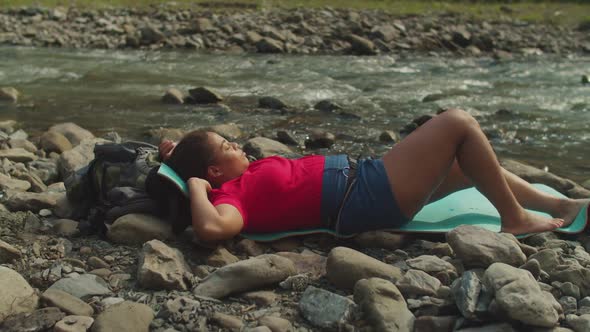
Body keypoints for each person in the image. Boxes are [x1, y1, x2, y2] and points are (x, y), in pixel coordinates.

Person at [153, 109, 589, 242]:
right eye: (228, 148)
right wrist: (195, 187)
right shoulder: (231, 197)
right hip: (364, 196)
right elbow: (211, 230)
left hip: (365, 180)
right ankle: (514, 219)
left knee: (467, 164)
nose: (237, 145)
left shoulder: (237, 176)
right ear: (213, 172)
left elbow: (188, 156)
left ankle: (560, 205)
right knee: (458, 124)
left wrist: (173, 154)